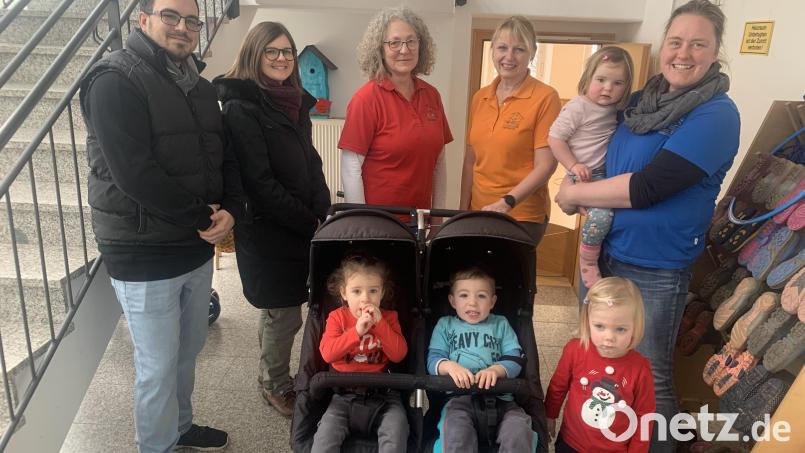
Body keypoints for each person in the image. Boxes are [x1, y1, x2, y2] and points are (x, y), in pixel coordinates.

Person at [555, 1, 739, 451]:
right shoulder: (638, 102)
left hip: (656, 268)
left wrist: (574, 194)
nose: (684, 52)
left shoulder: (716, 113)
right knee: (599, 357)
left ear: (715, 52)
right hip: (606, 254)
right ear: (661, 48)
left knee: (650, 374)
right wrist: (572, 175)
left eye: (698, 44)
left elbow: (648, 187)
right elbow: (599, 155)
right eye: (675, 41)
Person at [79, 0, 243, 450]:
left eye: (192, 20)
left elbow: (223, 157)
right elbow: (135, 174)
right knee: (157, 365)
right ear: (144, 18)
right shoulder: (114, 80)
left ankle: (180, 426)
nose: (183, 28)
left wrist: (229, 206)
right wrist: (204, 216)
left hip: (192, 245)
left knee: (187, 353)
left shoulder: (201, 88)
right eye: (171, 15)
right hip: (142, 250)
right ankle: (158, 445)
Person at [214, 22, 331, 418]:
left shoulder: (293, 102)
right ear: (254, 54)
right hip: (267, 231)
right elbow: (259, 183)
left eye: (287, 51)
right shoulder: (241, 107)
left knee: (280, 311)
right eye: (272, 51)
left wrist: (322, 204)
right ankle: (275, 383)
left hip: (297, 226)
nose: (282, 59)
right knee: (282, 314)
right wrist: (308, 220)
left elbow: (311, 162)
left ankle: (269, 374)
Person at [339, 6, 453, 211]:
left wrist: (437, 217)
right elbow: (351, 168)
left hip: (420, 221)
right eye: (394, 42)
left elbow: (439, 162)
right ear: (380, 49)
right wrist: (363, 223)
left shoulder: (432, 95)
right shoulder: (365, 99)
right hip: (380, 224)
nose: (404, 49)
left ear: (421, 45)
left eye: (411, 41)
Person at [460, 16, 561, 245]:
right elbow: (471, 160)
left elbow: (546, 165)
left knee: (509, 279)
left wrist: (507, 202)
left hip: (521, 215)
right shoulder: (480, 97)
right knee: (475, 279)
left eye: (519, 49)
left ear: (532, 53)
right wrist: (463, 210)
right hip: (480, 212)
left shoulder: (545, 97)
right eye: (502, 48)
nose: (509, 57)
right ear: (493, 50)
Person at [548, 46, 634, 289]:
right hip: (584, 176)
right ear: (587, 79)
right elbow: (555, 138)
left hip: (604, 176)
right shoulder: (579, 106)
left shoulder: (616, 111)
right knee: (601, 216)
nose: (608, 88)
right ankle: (587, 262)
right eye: (601, 80)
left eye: (617, 82)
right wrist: (572, 165)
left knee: (610, 216)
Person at [427, 267, 536, 452]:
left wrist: (496, 370)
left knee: (519, 431)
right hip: (459, 399)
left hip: (502, 398)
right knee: (454, 435)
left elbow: (515, 358)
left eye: (481, 296)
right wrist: (449, 366)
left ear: (493, 301)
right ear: (452, 301)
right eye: (464, 295)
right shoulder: (445, 325)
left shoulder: (500, 323)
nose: (473, 303)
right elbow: (433, 360)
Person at [311, 253, 409, 452]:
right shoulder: (337, 318)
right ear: (344, 293)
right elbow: (328, 354)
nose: (366, 299)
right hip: (343, 394)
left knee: (397, 429)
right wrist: (356, 331)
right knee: (325, 437)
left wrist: (380, 325)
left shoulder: (389, 318)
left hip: (384, 394)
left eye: (373, 291)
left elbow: (399, 354)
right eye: (357, 291)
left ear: (382, 293)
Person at [545, 277, 655, 453]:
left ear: (635, 327)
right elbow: (558, 386)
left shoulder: (640, 368)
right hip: (571, 443)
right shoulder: (575, 350)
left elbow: (644, 415)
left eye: (620, 329)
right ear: (587, 321)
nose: (609, 337)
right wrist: (549, 415)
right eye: (599, 326)